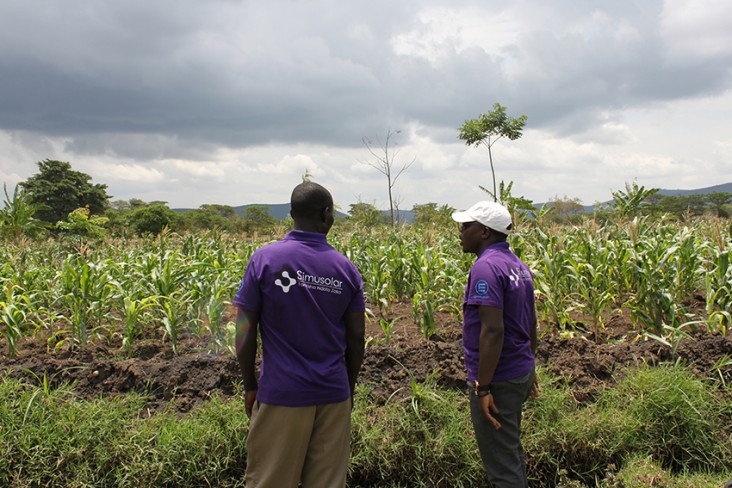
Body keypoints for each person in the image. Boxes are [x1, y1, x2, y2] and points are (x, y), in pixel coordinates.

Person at [233, 182, 366, 488]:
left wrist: (250, 385)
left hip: (282, 393)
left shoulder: (264, 260)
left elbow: (244, 330)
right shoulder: (346, 270)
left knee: (270, 481)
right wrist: (348, 389)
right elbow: (356, 339)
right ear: (327, 216)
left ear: (291, 215)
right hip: (333, 395)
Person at [452, 200, 538, 488]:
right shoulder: (518, 266)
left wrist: (483, 386)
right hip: (518, 369)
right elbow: (530, 322)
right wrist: (531, 366)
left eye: (466, 226)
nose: (460, 232)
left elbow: (493, 331)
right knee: (509, 450)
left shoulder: (486, 268)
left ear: (485, 232)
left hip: (498, 378)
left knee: (502, 465)